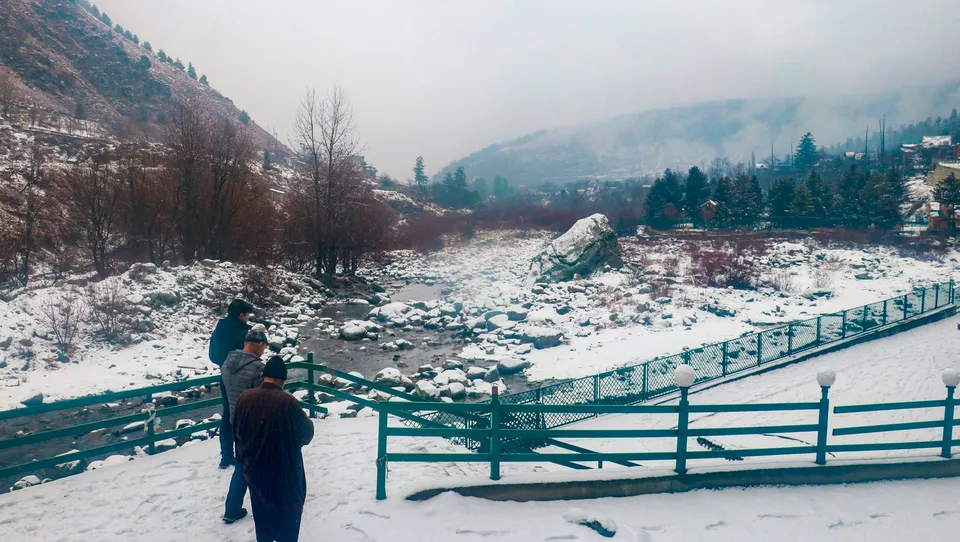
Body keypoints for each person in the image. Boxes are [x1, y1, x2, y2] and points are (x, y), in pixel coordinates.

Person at [234, 356, 314, 542]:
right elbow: (307, 434)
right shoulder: (288, 402)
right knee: (288, 522)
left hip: (254, 471)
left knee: (263, 518)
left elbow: (236, 431)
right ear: (283, 381)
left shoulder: (244, 398)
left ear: (263, 377)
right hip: (284, 474)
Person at [220, 324, 268, 524]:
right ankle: (266, 505)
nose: (264, 350)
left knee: (242, 463)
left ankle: (232, 509)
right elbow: (264, 398)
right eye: (264, 346)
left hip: (235, 420)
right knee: (258, 465)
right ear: (258, 345)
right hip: (254, 424)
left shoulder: (227, 363)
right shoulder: (258, 368)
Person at [209, 299, 254, 469]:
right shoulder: (244, 334)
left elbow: (212, 356)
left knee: (228, 415)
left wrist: (224, 364)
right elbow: (253, 356)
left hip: (225, 376)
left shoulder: (218, 331)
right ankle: (245, 453)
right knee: (247, 414)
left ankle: (226, 456)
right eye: (247, 314)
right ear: (241, 315)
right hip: (244, 377)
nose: (248, 317)